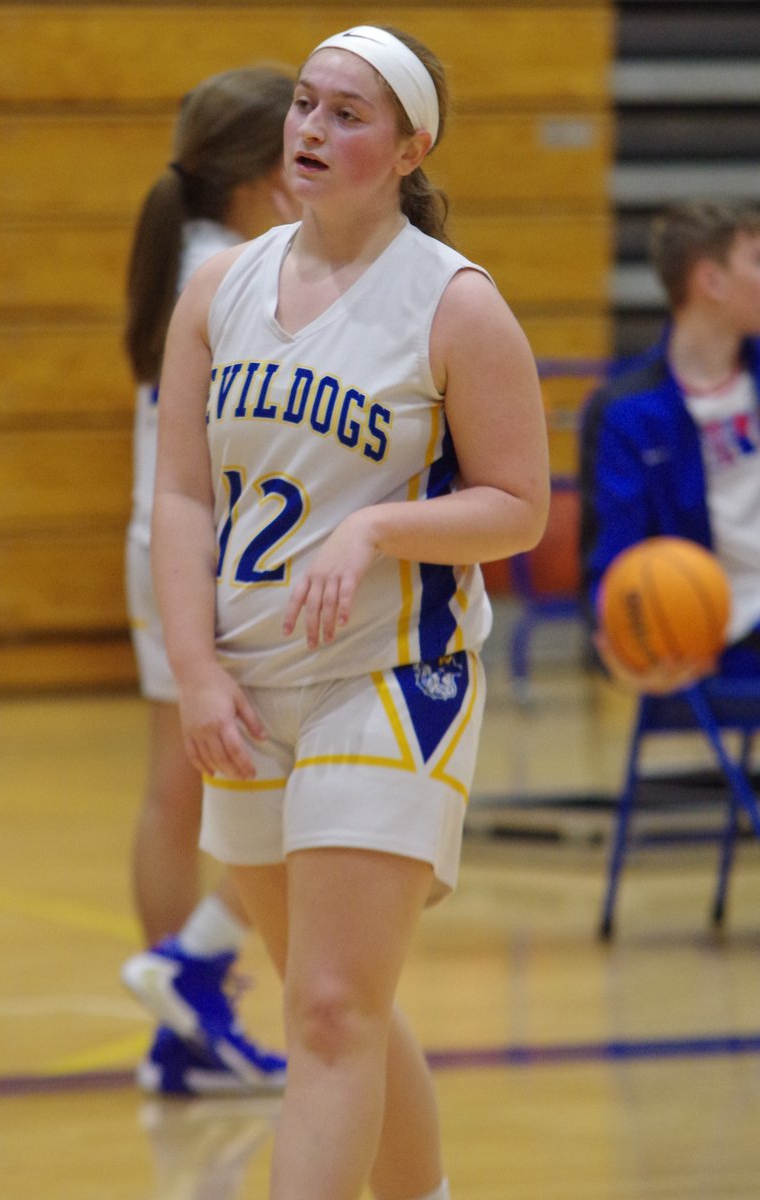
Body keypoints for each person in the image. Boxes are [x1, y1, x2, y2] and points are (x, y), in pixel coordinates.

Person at [152, 24, 549, 1200]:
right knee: (334, 1003)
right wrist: (195, 670)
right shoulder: (219, 287)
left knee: (329, 1010)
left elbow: (518, 506)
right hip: (248, 680)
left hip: (389, 674)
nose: (312, 130)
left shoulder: (455, 304)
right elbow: (181, 495)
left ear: (410, 148)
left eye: (346, 114)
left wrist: (378, 529)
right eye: (304, 105)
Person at [122, 65, 298, 1095]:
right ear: (265, 171)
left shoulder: (182, 255)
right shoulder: (241, 274)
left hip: (161, 542)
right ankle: (193, 968)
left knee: (174, 790)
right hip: (219, 554)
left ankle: (182, 1019)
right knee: (303, 786)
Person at [580, 200, 760, 694]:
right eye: (756, 260)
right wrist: (619, 651)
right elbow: (611, 561)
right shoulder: (625, 413)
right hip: (713, 639)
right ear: (712, 281)